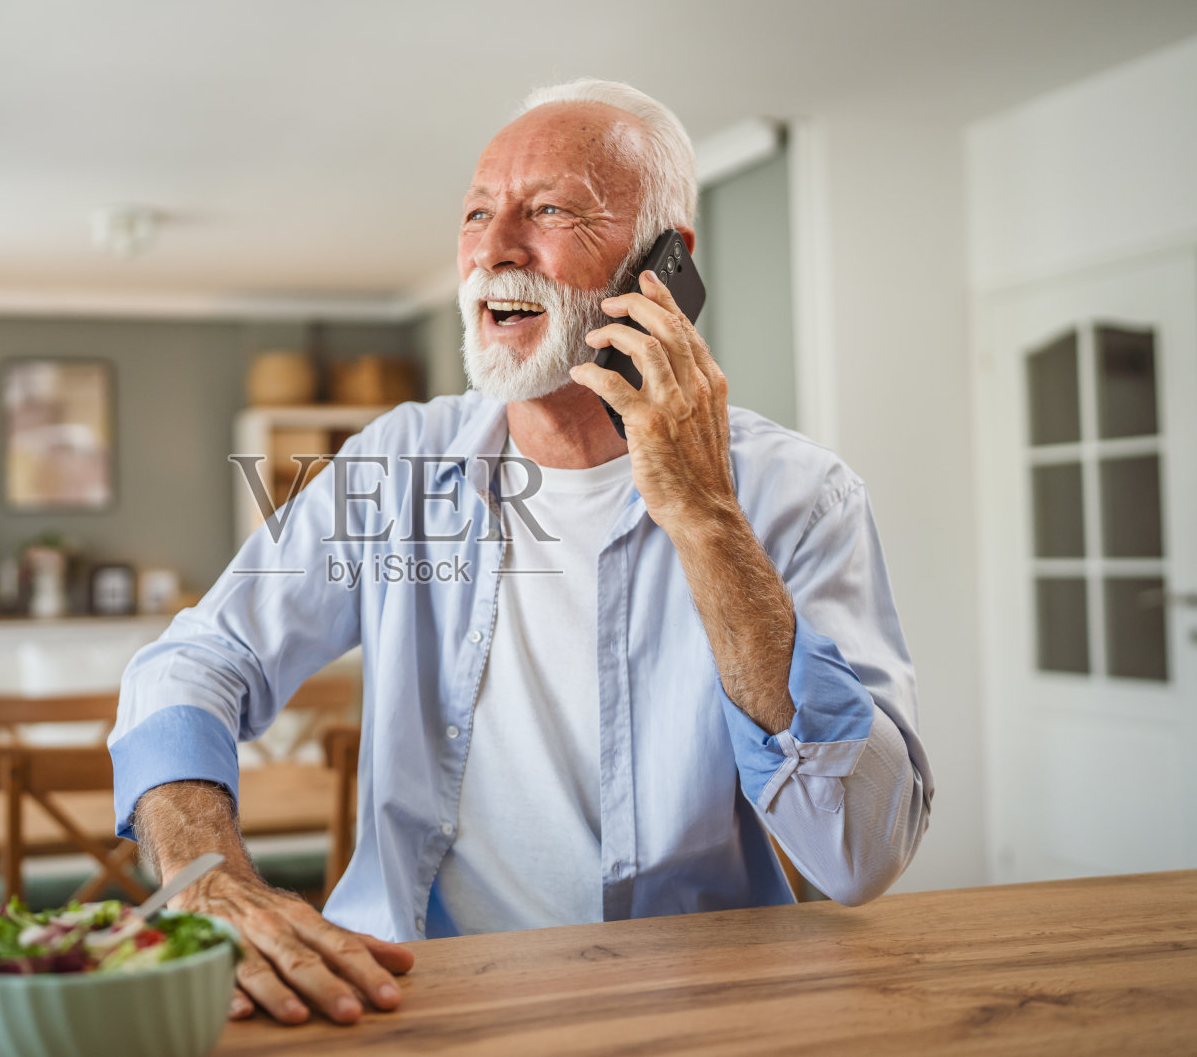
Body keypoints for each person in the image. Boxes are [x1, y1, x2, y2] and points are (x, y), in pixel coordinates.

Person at [109, 78, 932, 1027]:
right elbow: (192, 662)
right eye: (475, 213)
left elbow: (862, 854)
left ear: (664, 263)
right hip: (404, 997)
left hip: (698, 1009)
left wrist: (707, 519)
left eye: (549, 210)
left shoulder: (797, 496)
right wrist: (208, 878)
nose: (495, 249)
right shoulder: (396, 464)